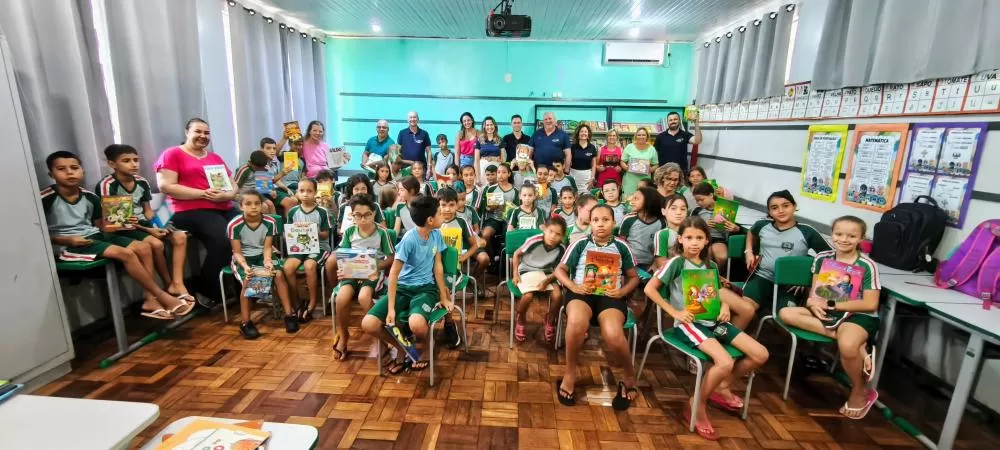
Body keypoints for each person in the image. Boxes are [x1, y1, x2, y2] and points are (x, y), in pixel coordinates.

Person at [644, 216, 769, 441]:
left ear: (706, 241)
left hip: (714, 322)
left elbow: (716, 293)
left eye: (699, 238)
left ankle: (722, 387)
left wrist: (725, 306)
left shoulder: (710, 265)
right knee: (725, 361)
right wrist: (674, 312)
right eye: (689, 237)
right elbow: (650, 289)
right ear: (680, 239)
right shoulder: (677, 263)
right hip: (689, 324)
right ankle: (696, 404)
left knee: (761, 354)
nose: (694, 242)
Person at [45, 151, 192, 320]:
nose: (70, 172)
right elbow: (33, 234)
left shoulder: (90, 197)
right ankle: (160, 295)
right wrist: (64, 239)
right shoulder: (45, 198)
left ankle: (153, 298)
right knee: (127, 253)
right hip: (69, 244)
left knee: (144, 248)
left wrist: (123, 222)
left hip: (94, 235)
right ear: (51, 174)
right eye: (62, 169)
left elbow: (103, 227)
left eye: (74, 168)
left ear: (82, 171)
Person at [778, 215, 880, 419]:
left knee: (847, 346)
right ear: (832, 234)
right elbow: (815, 295)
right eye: (839, 234)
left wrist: (832, 303)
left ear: (861, 238)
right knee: (785, 312)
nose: (844, 239)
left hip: (857, 315)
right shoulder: (822, 258)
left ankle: (860, 391)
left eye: (852, 236)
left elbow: (870, 304)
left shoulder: (867, 265)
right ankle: (860, 347)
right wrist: (813, 304)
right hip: (828, 312)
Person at [555, 205, 640, 410]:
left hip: (611, 296)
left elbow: (634, 277)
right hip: (581, 292)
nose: (600, 224)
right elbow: (560, 270)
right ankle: (570, 373)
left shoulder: (622, 246)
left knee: (613, 334)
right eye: (596, 220)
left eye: (605, 220)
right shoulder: (580, 243)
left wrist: (622, 292)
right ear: (590, 223)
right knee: (575, 323)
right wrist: (574, 286)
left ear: (614, 222)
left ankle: (629, 376)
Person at [360, 195, 455, 374]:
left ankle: (428, 346)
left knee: (417, 324)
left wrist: (443, 296)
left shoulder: (436, 234)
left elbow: (438, 269)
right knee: (369, 323)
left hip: (426, 289)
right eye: (439, 213)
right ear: (430, 220)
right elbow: (394, 274)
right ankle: (403, 347)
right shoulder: (409, 240)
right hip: (402, 288)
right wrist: (390, 309)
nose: (443, 215)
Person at [155, 118, 240, 305]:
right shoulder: (172, 154)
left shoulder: (214, 157)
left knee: (248, 231)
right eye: (198, 131)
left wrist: (228, 195)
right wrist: (203, 194)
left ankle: (244, 288)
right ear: (187, 133)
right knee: (223, 238)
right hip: (189, 208)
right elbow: (165, 186)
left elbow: (232, 185)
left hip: (223, 206)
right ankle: (206, 290)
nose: (203, 136)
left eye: (206, 133)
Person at [97, 144, 192, 305]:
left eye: (136, 160)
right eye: (126, 161)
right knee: (156, 244)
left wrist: (157, 225)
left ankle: (177, 284)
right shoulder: (108, 185)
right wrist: (150, 230)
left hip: (142, 223)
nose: (134, 164)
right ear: (112, 164)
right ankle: (165, 286)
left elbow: (147, 211)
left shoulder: (141, 182)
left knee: (180, 236)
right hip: (122, 227)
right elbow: (117, 221)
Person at [744, 190, 830, 319]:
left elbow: (828, 257)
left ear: (794, 207)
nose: (781, 210)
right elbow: (751, 232)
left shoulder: (807, 232)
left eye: (786, 205)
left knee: (785, 319)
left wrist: (806, 276)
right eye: (774, 208)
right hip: (762, 277)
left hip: (790, 285)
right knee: (746, 308)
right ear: (770, 211)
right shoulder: (762, 225)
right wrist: (748, 251)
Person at [227, 190, 299, 339]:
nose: (253, 207)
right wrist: (246, 267)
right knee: (249, 280)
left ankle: (289, 315)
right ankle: (245, 323)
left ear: (262, 205)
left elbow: (267, 247)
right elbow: (237, 251)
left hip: (263, 255)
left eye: (257, 203)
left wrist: (267, 261)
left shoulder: (269, 222)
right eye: (248, 204)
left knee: (278, 274)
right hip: (243, 258)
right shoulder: (234, 225)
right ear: (241, 206)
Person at [332, 194, 396, 361]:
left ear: (374, 213)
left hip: (373, 273)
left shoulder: (382, 232)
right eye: (358, 215)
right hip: (352, 272)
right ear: (352, 216)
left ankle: (379, 336)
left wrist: (374, 267)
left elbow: (391, 257)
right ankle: (343, 335)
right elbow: (342, 255)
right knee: (341, 298)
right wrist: (342, 269)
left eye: (367, 214)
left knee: (364, 296)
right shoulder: (349, 232)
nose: (363, 219)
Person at [282, 178, 333, 323]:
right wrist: (290, 235)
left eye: (309, 191)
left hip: (319, 247)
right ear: (297, 192)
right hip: (299, 247)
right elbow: (287, 233)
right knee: (288, 267)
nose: (305, 194)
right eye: (301, 191)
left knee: (310, 266)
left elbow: (326, 234)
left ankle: (311, 303)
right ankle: (296, 302)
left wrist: (312, 230)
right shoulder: (293, 212)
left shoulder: (322, 212)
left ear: (315, 192)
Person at [511, 216, 567, 343]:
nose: (553, 236)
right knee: (528, 296)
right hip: (527, 269)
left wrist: (547, 281)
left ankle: (550, 319)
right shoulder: (534, 240)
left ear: (563, 236)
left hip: (548, 272)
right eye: (551, 231)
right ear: (544, 230)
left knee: (558, 296)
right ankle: (521, 318)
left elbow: (559, 269)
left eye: (558, 234)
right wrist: (515, 274)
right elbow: (516, 254)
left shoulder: (561, 248)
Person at [438, 187, 490, 302]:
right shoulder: (435, 223)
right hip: (436, 265)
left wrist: (465, 257)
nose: (447, 209)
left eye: (451, 205)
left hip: (453, 267)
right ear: (438, 205)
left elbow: (475, 244)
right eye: (443, 205)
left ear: (457, 205)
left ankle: (447, 310)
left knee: (446, 288)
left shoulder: (462, 222)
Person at [617, 187, 665, 271]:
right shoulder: (629, 219)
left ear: (649, 200)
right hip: (630, 263)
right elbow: (622, 244)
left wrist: (654, 265)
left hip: (650, 265)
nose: (632, 202)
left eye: (636, 198)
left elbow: (660, 248)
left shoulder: (661, 222)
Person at [479, 163, 516, 248]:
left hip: (508, 220)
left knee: (509, 235)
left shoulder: (515, 191)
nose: (500, 175)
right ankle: (492, 259)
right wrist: (490, 208)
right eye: (499, 172)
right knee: (485, 235)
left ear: (509, 174)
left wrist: (509, 207)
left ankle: (504, 257)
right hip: (493, 218)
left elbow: (517, 210)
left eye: (503, 172)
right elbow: (485, 208)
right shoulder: (491, 189)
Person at [652, 194, 689, 271]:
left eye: (683, 209)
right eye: (673, 208)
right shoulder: (662, 234)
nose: (678, 212)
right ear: (663, 211)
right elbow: (661, 264)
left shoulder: (693, 232)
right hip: (670, 276)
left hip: (693, 276)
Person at [620, 127, 658, 197]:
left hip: (645, 181)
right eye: (639, 135)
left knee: (644, 200)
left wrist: (651, 169)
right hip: (630, 181)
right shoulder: (629, 147)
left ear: (647, 136)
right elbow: (622, 161)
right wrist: (626, 167)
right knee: (629, 200)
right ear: (636, 136)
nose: (641, 137)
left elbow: (656, 164)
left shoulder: (652, 149)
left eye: (643, 135)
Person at [476, 116, 504, 185]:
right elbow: (476, 161)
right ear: (484, 127)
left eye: (491, 124)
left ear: (494, 126)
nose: (489, 127)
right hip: (483, 169)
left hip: (496, 169)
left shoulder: (500, 140)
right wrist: (478, 177)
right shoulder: (479, 140)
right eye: (487, 125)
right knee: (484, 190)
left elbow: (503, 160)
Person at [569, 124, 598, 189]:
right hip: (574, 175)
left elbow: (594, 165)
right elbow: (568, 162)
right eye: (581, 131)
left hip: (587, 177)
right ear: (578, 134)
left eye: (585, 131)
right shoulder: (572, 147)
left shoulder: (592, 147)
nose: (583, 133)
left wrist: (592, 178)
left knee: (586, 197)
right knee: (573, 196)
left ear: (588, 134)